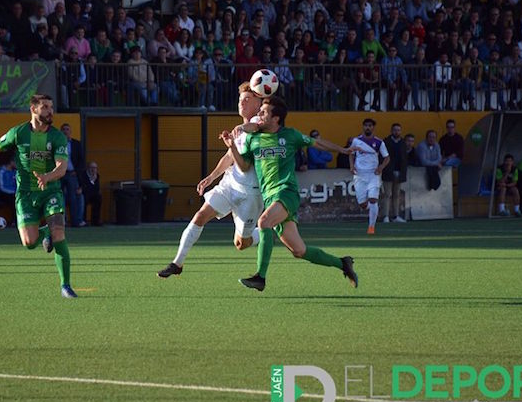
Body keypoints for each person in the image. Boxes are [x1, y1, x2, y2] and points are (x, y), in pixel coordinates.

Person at [221, 95, 358, 292]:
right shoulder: (254, 138)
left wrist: (343, 150)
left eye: (264, 112)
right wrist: (232, 146)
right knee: (299, 251)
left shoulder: (290, 135)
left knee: (264, 222)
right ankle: (343, 263)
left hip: (286, 192)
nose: (259, 114)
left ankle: (260, 277)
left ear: (276, 118)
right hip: (270, 198)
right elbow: (243, 166)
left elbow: (317, 143)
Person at [0, 94, 76, 298]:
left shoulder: (57, 137)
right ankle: (45, 233)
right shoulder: (19, 133)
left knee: (59, 234)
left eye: (52, 107)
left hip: (51, 191)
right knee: (29, 243)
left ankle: (65, 286)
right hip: (25, 194)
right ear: (33, 109)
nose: (51, 111)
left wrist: (47, 177)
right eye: (46, 107)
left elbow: (62, 168)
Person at [158, 83, 264, 278]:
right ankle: (177, 263)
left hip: (250, 193)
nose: (242, 102)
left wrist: (241, 127)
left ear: (259, 103)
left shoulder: (259, 121)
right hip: (230, 184)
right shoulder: (239, 130)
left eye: (248, 99)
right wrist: (210, 178)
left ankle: (266, 229)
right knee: (200, 216)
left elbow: (256, 126)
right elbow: (229, 158)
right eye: (241, 99)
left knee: (241, 244)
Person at [350, 118, 390, 235]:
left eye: (370, 125)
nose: (368, 127)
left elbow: (387, 157)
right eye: (366, 125)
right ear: (363, 127)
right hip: (360, 175)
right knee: (362, 204)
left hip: (373, 174)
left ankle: (371, 227)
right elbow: (351, 154)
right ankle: (374, 209)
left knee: (373, 199)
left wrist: (380, 168)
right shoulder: (356, 141)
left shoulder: (379, 142)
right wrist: (352, 166)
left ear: (373, 127)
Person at [59, 123, 86, 228]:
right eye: (63, 130)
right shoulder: (57, 144)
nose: (65, 131)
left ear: (70, 132)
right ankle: (62, 221)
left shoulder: (76, 144)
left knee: (73, 197)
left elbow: (81, 160)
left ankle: (76, 221)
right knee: (60, 197)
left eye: (67, 129)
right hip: (59, 174)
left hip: (71, 173)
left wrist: (77, 172)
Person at [381, 122, 407, 223]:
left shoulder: (402, 143)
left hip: (399, 172)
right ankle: (385, 216)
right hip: (388, 171)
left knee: (396, 194)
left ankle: (396, 215)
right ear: (391, 131)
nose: (397, 132)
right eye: (395, 130)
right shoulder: (386, 142)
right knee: (387, 194)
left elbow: (404, 158)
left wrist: (402, 171)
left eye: (398, 130)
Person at [79, 161, 102, 226]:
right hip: (85, 194)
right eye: (92, 167)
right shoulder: (83, 175)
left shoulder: (97, 176)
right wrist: (92, 181)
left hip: (93, 194)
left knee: (98, 198)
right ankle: (83, 220)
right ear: (88, 168)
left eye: (95, 168)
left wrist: (93, 180)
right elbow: (85, 187)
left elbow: (97, 188)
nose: (93, 170)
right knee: (84, 199)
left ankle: (95, 221)